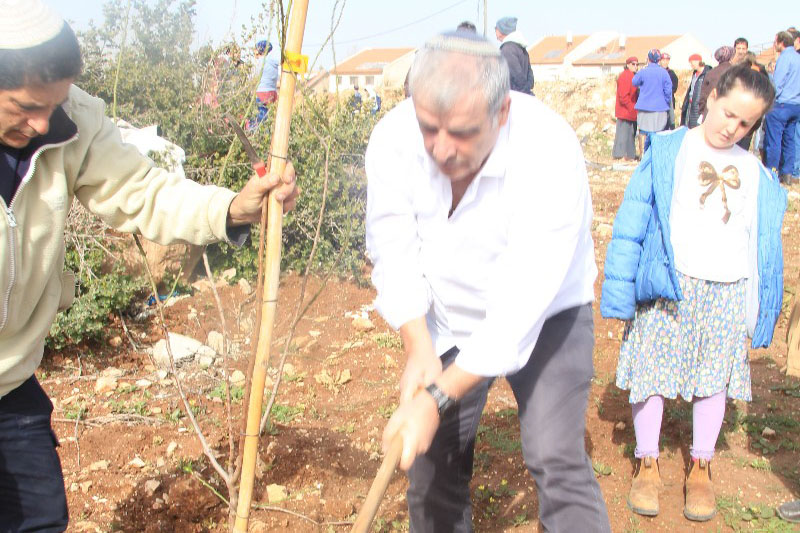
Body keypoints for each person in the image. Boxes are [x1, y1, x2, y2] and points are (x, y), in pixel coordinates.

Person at [0, 2, 299, 529]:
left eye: (54, 103)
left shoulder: (71, 124)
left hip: (9, 382)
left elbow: (143, 191)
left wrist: (230, 208)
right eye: (24, 106)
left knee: (38, 520)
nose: (43, 122)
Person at [366, 31, 610, 533]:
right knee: (430, 466)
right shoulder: (393, 138)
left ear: (502, 113)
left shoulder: (548, 151)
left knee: (554, 454)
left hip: (546, 315)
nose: (440, 148)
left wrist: (437, 398)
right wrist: (419, 345)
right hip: (449, 313)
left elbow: (520, 307)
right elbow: (392, 245)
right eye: (429, 127)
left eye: (461, 133)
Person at [601, 64, 785, 523]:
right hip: (670, 285)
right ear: (713, 94)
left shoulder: (756, 173)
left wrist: (760, 309)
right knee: (652, 370)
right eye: (728, 113)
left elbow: (762, 249)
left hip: (725, 292)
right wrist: (621, 290)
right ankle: (647, 460)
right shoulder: (668, 150)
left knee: (712, 378)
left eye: (746, 123)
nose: (732, 127)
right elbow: (632, 222)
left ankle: (701, 464)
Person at [763, 31, 800, 183]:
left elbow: (777, 84)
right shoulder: (798, 58)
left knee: (774, 141)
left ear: (781, 42)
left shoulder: (785, 58)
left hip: (781, 105)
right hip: (795, 105)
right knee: (790, 140)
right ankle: (788, 173)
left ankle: (772, 172)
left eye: (775, 41)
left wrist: (768, 101)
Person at [632, 49, 673, 153]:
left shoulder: (643, 71)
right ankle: (657, 154)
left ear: (648, 59)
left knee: (643, 133)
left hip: (644, 108)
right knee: (658, 133)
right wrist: (666, 102)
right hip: (660, 108)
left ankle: (643, 155)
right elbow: (668, 90)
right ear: (659, 60)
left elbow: (634, 81)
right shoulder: (664, 73)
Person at [495, 16, 534, 95]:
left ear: (501, 30)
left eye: (496, 29)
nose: (495, 32)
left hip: (515, 97)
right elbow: (530, 78)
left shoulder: (507, 50)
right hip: (523, 96)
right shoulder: (521, 47)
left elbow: (518, 77)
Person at [613, 56, 639, 160]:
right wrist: (632, 108)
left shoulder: (633, 76)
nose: (635, 66)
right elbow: (623, 96)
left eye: (637, 64)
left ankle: (629, 154)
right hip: (625, 111)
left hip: (630, 111)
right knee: (623, 135)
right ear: (628, 65)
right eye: (633, 64)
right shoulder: (625, 76)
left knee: (630, 134)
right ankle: (620, 155)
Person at [699, 46, 735, 122]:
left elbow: (703, 96)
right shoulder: (736, 72)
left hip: (710, 113)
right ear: (731, 57)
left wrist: (702, 111)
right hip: (729, 115)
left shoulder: (711, 73)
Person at [250, 40, 279, 128]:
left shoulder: (260, 62)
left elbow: (253, 76)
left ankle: (255, 132)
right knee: (267, 116)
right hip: (272, 93)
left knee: (258, 118)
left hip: (262, 92)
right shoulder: (273, 62)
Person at [681, 54, 711, 128]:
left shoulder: (708, 74)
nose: (691, 65)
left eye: (692, 62)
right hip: (691, 105)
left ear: (698, 61)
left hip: (700, 106)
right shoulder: (694, 74)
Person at [659, 53, 679, 129]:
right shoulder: (656, 72)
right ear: (660, 61)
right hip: (657, 104)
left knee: (668, 126)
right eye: (663, 60)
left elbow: (674, 88)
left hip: (668, 103)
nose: (665, 62)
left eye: (667, 60)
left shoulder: (671, 74)